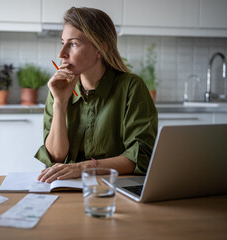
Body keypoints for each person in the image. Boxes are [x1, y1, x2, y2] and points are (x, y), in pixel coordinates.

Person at [35, 7, 158, 183]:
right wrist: (60, 103)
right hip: (67, 188)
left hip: (115, 189)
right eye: (63, 43)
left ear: (100, 48)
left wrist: (83, 168)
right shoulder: (59, 89)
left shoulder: (131, 86)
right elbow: (56, 158)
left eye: (73, 43)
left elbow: (139, 156)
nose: (61, 54)